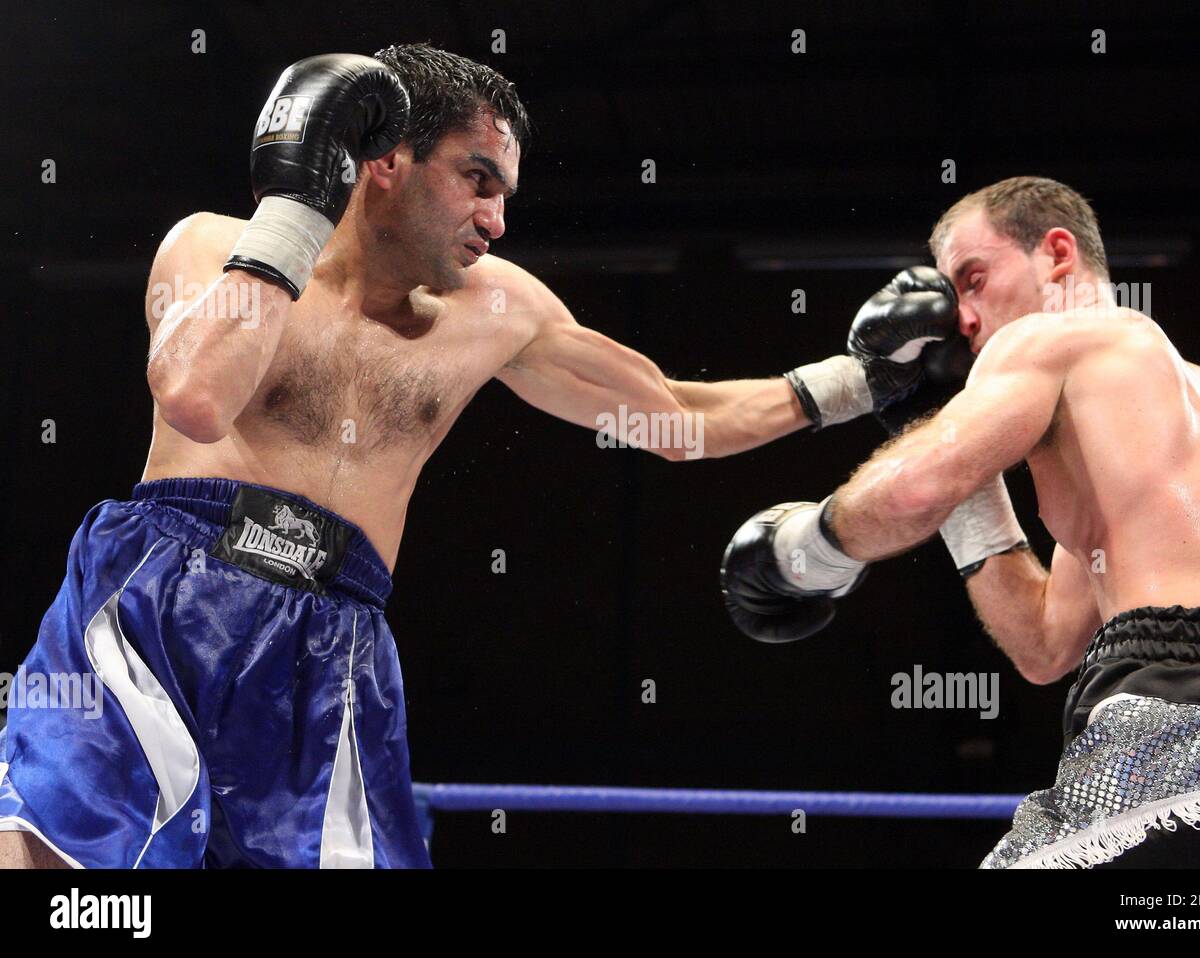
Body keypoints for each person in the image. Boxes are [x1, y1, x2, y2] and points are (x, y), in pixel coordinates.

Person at [0, 45, 904, 868]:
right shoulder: (212, 245)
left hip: (333, 645)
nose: (496, 220)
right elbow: (197, 399)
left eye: (505, 193)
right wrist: (292, 205)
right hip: (164, 591)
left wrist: (860, 381)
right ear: (384, 160)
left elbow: (677, 419)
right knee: (60, 872)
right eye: (478, 180)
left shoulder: (497, 310)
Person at [722, 175, 1200, 867]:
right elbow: (1045, 643)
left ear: (1057, 255)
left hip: (1173, 720)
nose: (957, 318)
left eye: (972, 279)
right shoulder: (1198, 410)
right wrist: (929, 423)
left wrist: (800, 552)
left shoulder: (1052, 338)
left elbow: (913, 490)